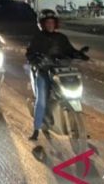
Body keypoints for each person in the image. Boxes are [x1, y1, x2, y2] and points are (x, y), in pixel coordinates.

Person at [26, 10, 88, 141]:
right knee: (41, 100)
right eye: (47, 22)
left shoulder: (61, 38)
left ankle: (79, 127)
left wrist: (80, 54)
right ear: (43, 24)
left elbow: (70, 50)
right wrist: (36, 60)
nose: (50, 24)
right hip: (43, 73)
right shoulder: (37, 38)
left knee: (71, 93)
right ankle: (36, 129)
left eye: (52, 22)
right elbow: (30, 53)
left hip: (60, 72)